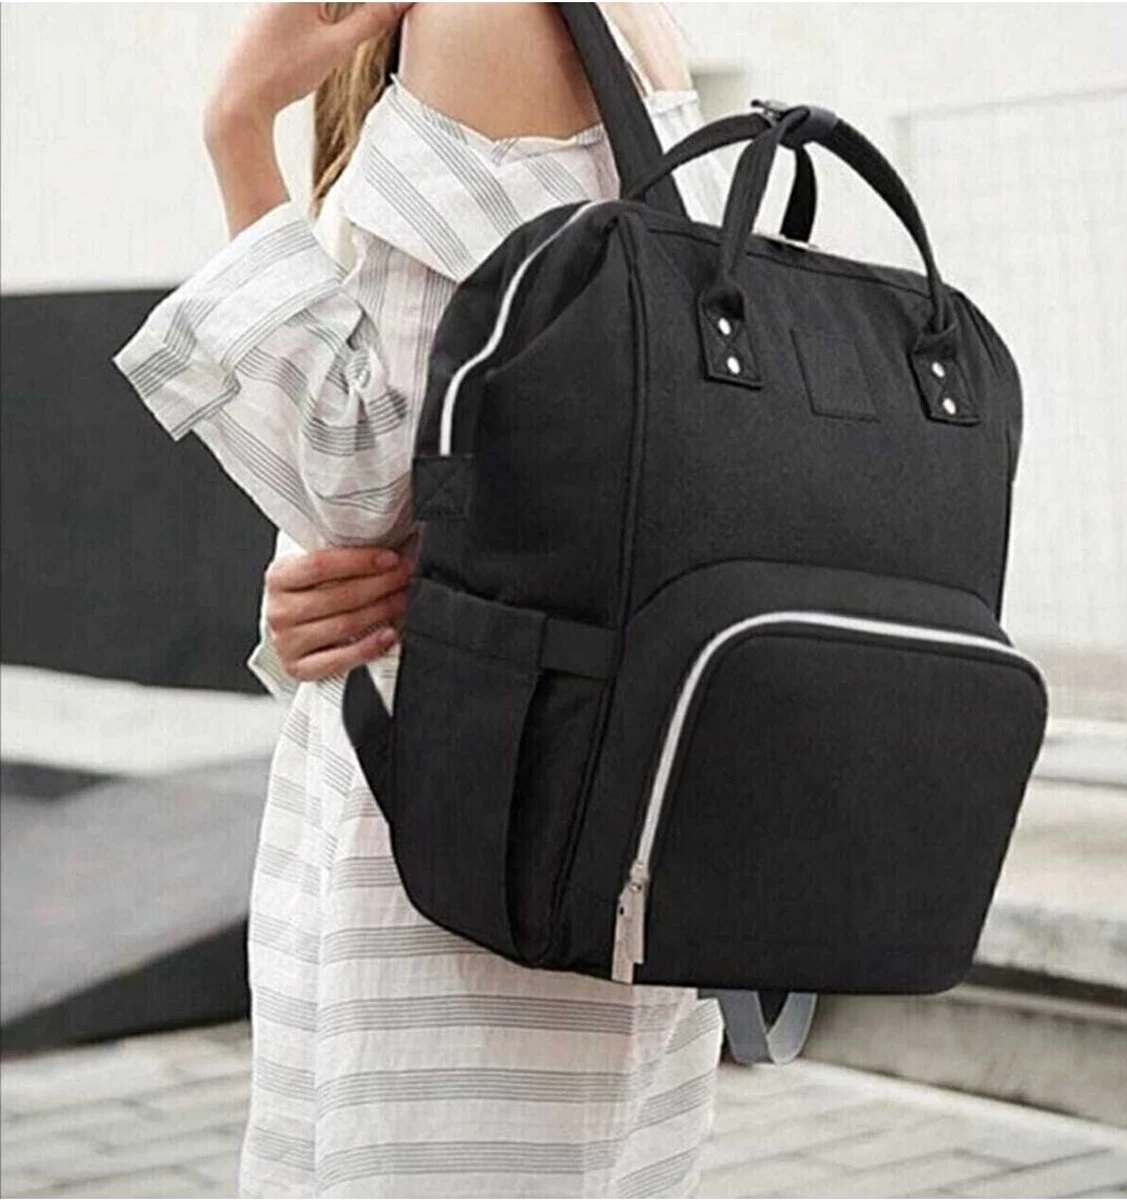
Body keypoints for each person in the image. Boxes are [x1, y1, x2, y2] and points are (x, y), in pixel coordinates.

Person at [113, 4, 732, 1195]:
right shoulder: (629, 26)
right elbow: (495, 470)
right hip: (580, 801)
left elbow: (357, 481)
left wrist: (237, 126)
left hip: (458, 824)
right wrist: (311, 603)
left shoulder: (483, 20)